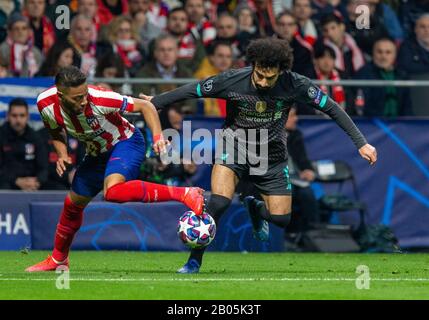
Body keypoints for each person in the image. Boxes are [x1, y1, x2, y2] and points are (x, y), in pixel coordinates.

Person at [141, 38, 377, 273]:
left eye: (270, 78)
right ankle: (194, 261)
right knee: (219, 202)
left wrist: (362, 143)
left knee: (281, 219)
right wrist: (157, 102)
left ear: (281, 71)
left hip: (271, 155)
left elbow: (332, 108)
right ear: (253, 66)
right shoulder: (231, 79)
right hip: (233, 148)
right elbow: (195, 89)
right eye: (259, 76)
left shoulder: (296, 84)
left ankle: (255, 209)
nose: (263, 82)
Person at [25, 66, 204, 272]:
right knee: (72, 205)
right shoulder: (45, 104)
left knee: (113, 191)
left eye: (84, 95)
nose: (83, 101)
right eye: (76, 98)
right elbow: (55, 131)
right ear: (60, 95)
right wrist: (63, 153)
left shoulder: (101, 99)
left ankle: (186, 193)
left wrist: (157, 137)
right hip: (96, 153)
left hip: (126, 142)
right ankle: (58, 260)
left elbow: (146, 106)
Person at [354, 38, 413, 117]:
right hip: (371, 124)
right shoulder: (363, 74)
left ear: (394, 55)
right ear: (373, 53)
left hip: (399, 124)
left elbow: (407, 106)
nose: (383, 56)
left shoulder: (402, 75)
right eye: (379, 52)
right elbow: (362, 107)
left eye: (388, 52)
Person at [0, 98, 48, 190]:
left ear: (28, 116)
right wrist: (16, 181)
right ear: (7, 116)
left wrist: (37, 181)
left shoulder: (35, 137)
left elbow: (43, 168)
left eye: (22, 115)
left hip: (32, 184)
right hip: (7, 184)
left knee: (54, 187)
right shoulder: (1, 136)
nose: (18, 120)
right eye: (14, 116)